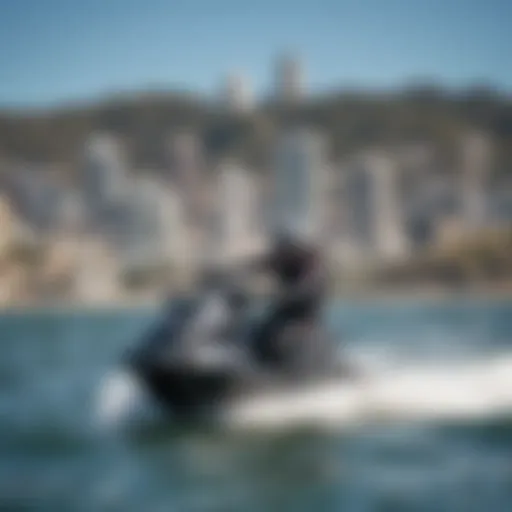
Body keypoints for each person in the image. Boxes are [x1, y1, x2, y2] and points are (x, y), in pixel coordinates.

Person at [246, 228, 327, 367]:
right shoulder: (281, 259)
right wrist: (226, 274)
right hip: (284, 310)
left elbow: (307, 290)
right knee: (254, 328)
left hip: (302, 315)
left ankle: (278, 368)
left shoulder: (311, 267)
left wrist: (285, 295)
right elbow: (259, 265)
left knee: (276, 334)